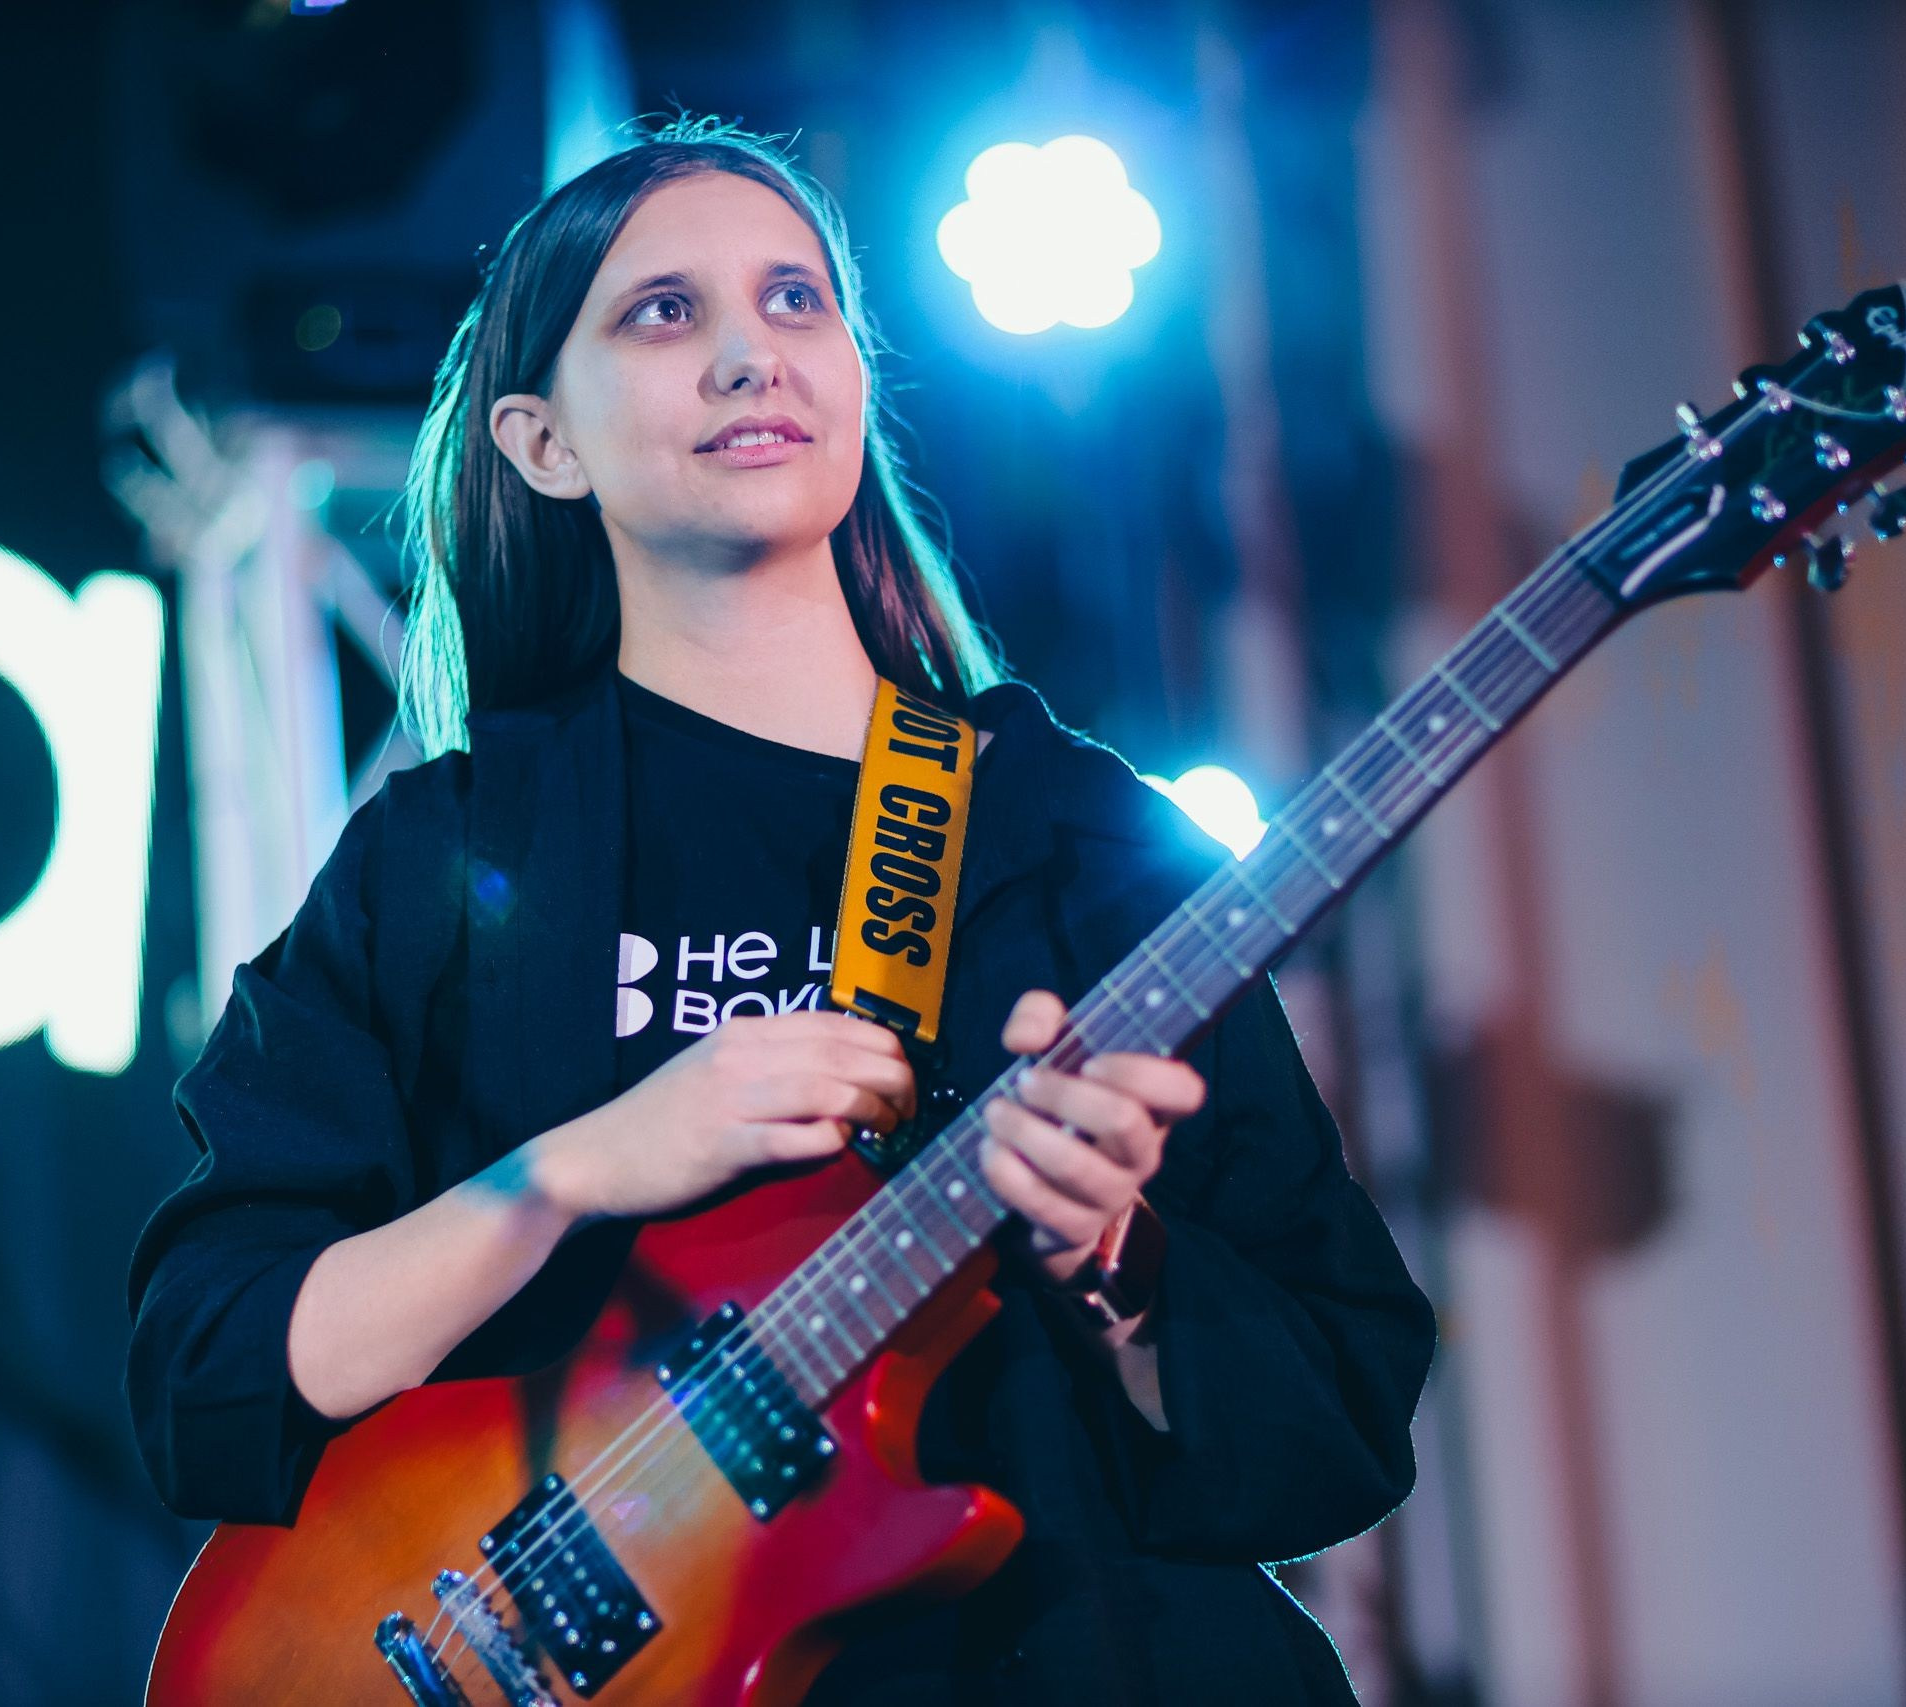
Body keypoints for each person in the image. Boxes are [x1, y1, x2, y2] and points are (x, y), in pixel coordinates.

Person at [126, 117, 1436, 1706]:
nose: (752, 355)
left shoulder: (1076, 836)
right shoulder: (442, 858)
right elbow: (214, 1361)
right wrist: (580, 1170)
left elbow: (1343, 1419)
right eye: (665, 314)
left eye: (796, 301)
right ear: (544, 443)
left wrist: (1119, 1254)